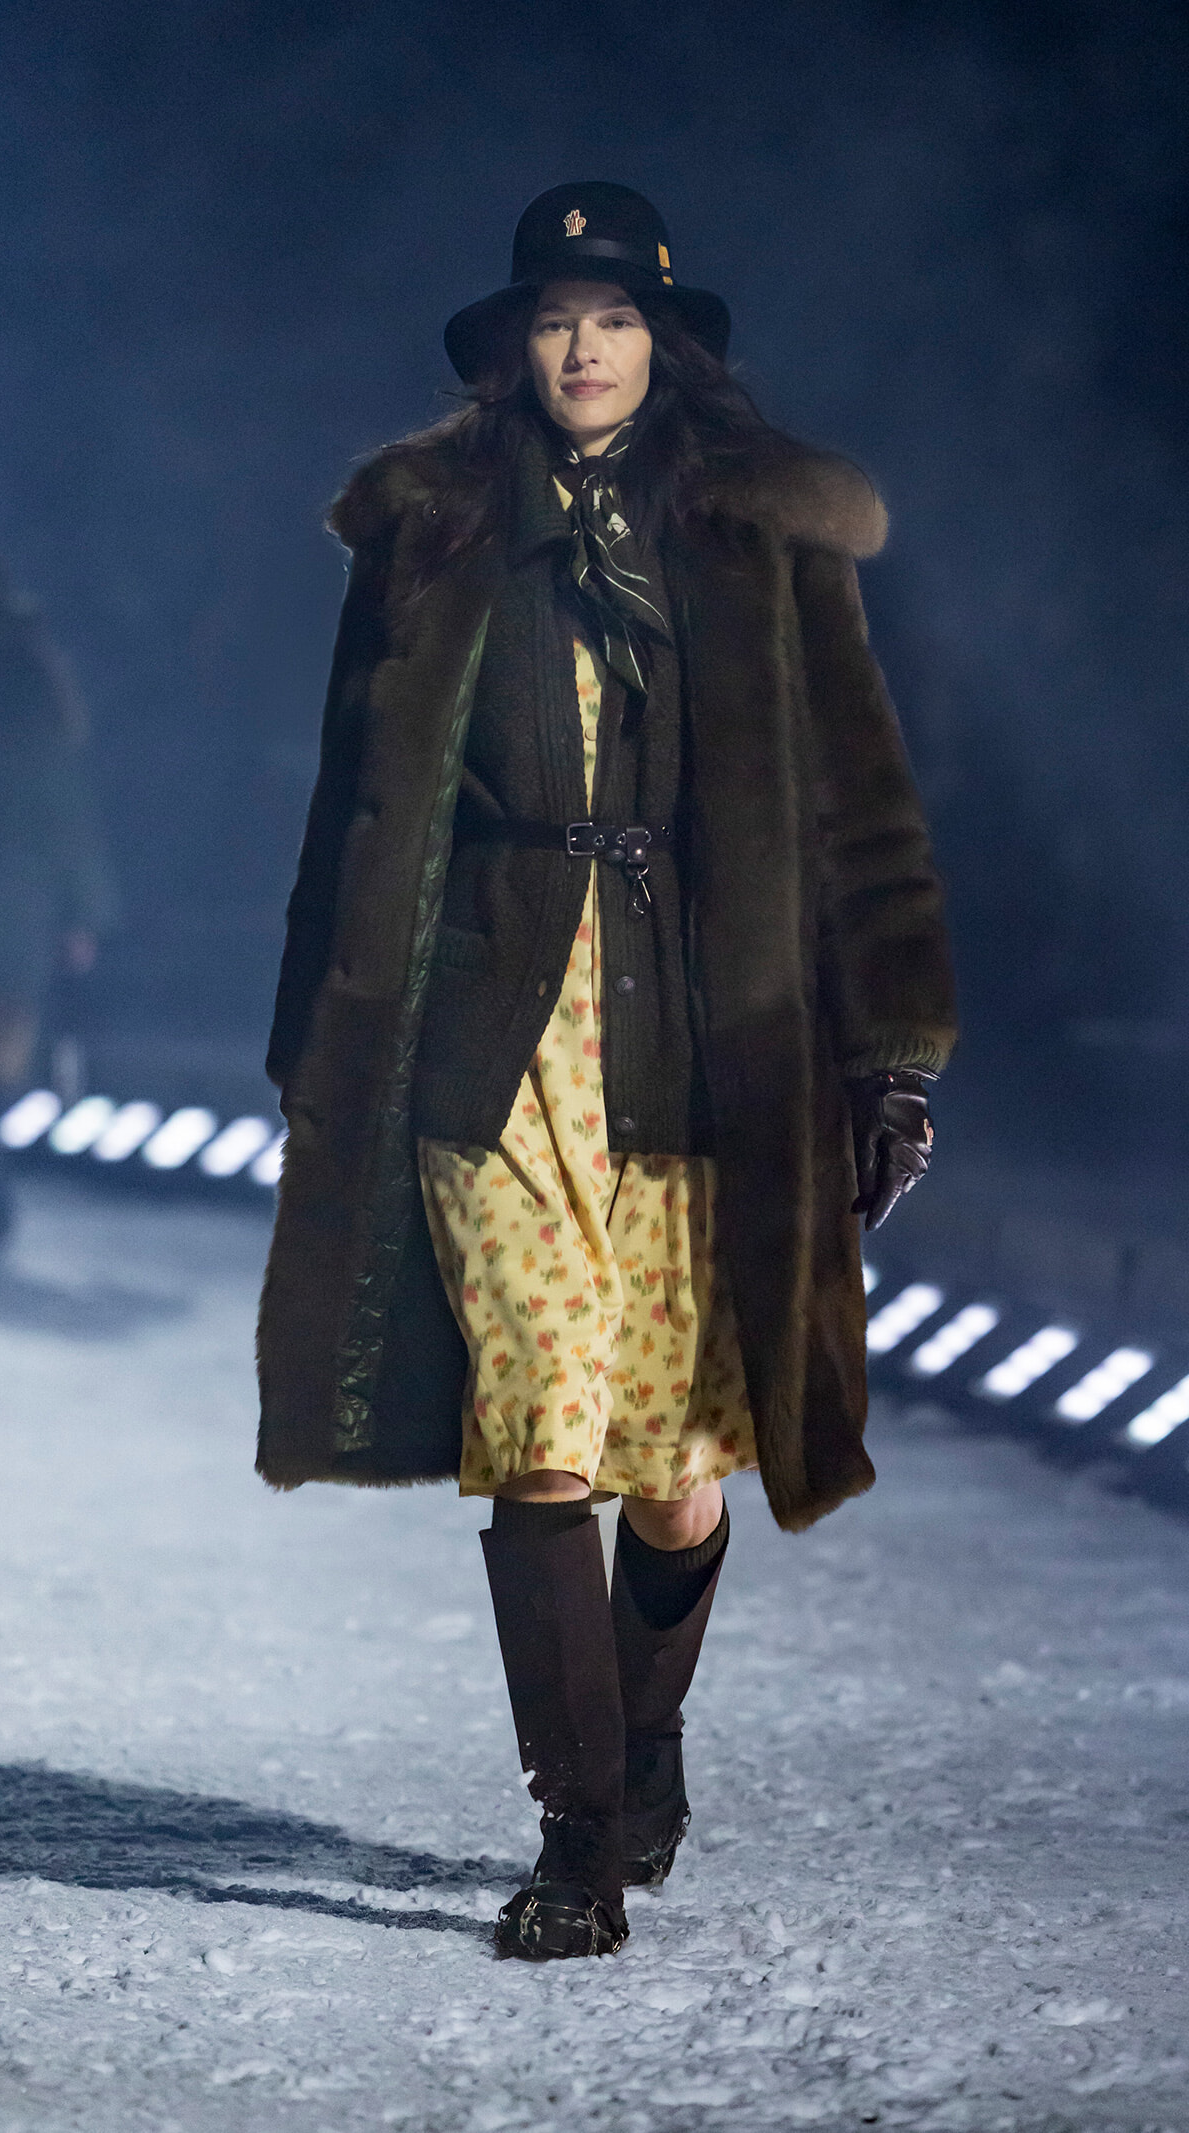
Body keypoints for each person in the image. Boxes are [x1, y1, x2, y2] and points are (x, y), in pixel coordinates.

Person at [256, 183, 956, 1960]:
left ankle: (643, 1744)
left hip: (703, 1036)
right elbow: (353, 808)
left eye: (617, 317)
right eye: (557, 317)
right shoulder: (429, 532)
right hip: (489, 1035)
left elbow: (858, 813)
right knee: (537, 1428)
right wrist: (317, 1042)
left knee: (674, 1466)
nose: (584, 347)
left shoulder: (759, 537)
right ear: (514, 345)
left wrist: (889, 1056)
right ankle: (576, 1831)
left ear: (669, 344)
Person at [0, 558, 114, 1257]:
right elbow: (65, 806)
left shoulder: (34, 684)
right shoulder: (37, 684)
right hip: (14, 908)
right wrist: (85, 912)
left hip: (10, 901)